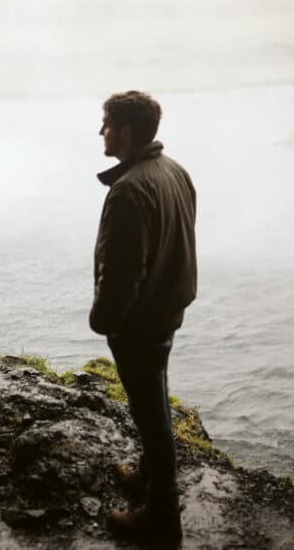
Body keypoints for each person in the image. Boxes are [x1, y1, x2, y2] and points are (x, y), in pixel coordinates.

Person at [90, 90, 197, 546]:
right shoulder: (174, 171)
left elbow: (122, 275)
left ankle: (161, 519)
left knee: (151, 416)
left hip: (140, 324)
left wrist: (104, 321)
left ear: (127, 132)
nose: (101, 131)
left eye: (107, 123)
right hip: (167, 310)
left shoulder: (129, 190)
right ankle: (145, 476)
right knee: (155, 400)